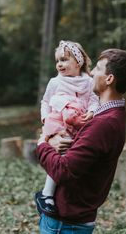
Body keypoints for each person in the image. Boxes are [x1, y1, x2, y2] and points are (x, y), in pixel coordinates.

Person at [36, 48, 126, 234]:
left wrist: (42, 143)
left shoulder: (103, 124)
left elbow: (63, 170)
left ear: (109, 79)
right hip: (75, 216)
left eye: (98, 69)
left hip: (66, 222)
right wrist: (54, 140)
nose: (91, 73)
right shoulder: (110, 114)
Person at [35, 40, 99, 215]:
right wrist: (45, 119)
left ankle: (71, 194)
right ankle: (46, 194)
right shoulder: (55, 83)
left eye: (64, 60)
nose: (59, 64)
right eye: (57, 61)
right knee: (61, 155)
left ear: (78, 62)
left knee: (76, 159)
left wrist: (92, 111)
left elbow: (94, 100)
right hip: (58, 123)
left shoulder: (88, 82)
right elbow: (45, 102)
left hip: (79, 123)